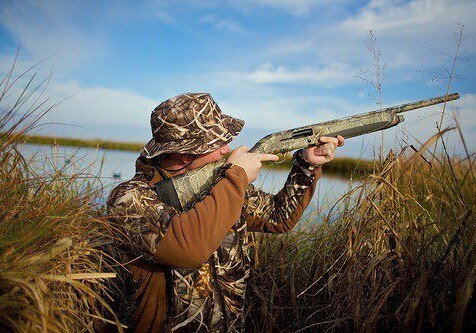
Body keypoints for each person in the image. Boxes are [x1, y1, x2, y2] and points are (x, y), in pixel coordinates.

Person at [106, 93, 344, 332]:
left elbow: (278, 217)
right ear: (183, 152)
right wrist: (236, 177)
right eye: (216, 143)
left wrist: (306, 164)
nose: (226, 149)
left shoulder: (220, 183)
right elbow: (189, 250)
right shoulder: (129, 199)